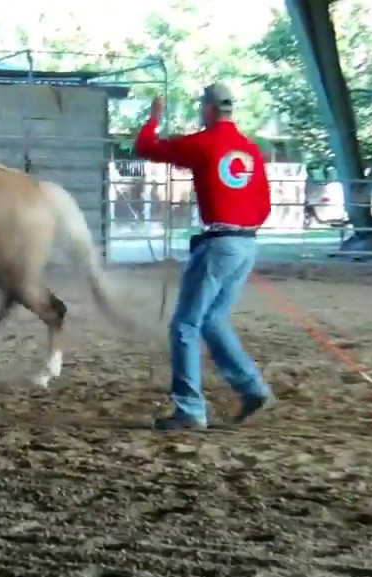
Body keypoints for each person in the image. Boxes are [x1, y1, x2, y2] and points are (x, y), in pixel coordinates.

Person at [134, 82, 274, 430]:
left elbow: (146, 147)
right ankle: (251, 387)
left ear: (209, 108)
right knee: (213, 320)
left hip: (219, 243)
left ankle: (190, 409)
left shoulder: (203, 143)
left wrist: (154, 117)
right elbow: (264, 206)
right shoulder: (250, 151)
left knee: (185, 324)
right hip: (246, 244)